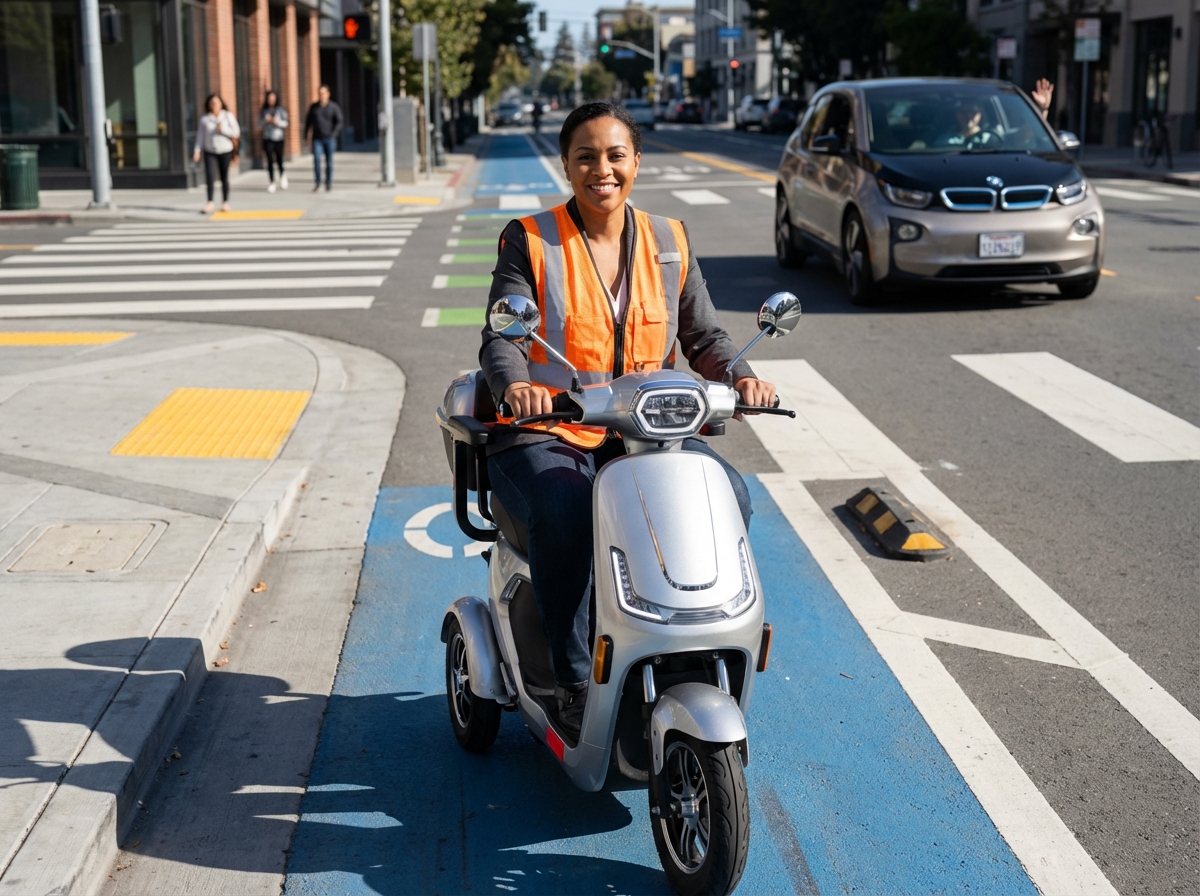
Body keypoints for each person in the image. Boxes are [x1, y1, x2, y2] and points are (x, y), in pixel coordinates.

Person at [481, 101, 777, 739]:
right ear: (566, 165)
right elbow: (502, 335)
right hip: (551, 430)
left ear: (636, 163)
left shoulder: (670, 238)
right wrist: (519, 385)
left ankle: (684, 649)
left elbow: (703, 337)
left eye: (615, 155)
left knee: (731, 496)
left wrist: (741, 376)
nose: (601, 169)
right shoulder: (528, 238)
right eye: (585, 156)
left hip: (647, 432)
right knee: (566, 507)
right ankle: (571, 675)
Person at [193, 94, 241, 214]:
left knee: (224, 176)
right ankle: (210, 202)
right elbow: (200, 136)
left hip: (225, 149)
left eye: (217, 102)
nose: (215, 105)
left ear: (221, 103)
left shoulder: (227, 116)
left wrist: (223, 130)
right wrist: (197, 151)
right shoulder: (205, 118)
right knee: (210, 176)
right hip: (210, 150)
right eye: (212, 103)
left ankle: (225, 202)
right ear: (209, 105)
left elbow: (236, 132)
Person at [304, 85, 343, 192]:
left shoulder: (333, 107)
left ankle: (328, 182)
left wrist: (334, 134)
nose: (322, 95)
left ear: (328, 94)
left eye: (324, 93)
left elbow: (339, 121)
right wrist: (306, 137)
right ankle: (318, 182)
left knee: (329, 162)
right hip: (317, 139)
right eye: (320, 93)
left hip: (329, 138)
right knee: (316, 160)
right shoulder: (314, 107)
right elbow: (308, 123)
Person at [259, 90, 289, 193]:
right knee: (269, 160)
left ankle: (282, 175)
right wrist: (265, 121)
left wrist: (277, 122)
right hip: (267, 138)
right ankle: (272, 182)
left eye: (273, 98)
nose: (271, 100)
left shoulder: (280, 110)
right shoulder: (264, 110)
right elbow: (258, 124)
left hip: (278, 137)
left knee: (279, 159)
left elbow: (286, 123)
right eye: (269, 98)